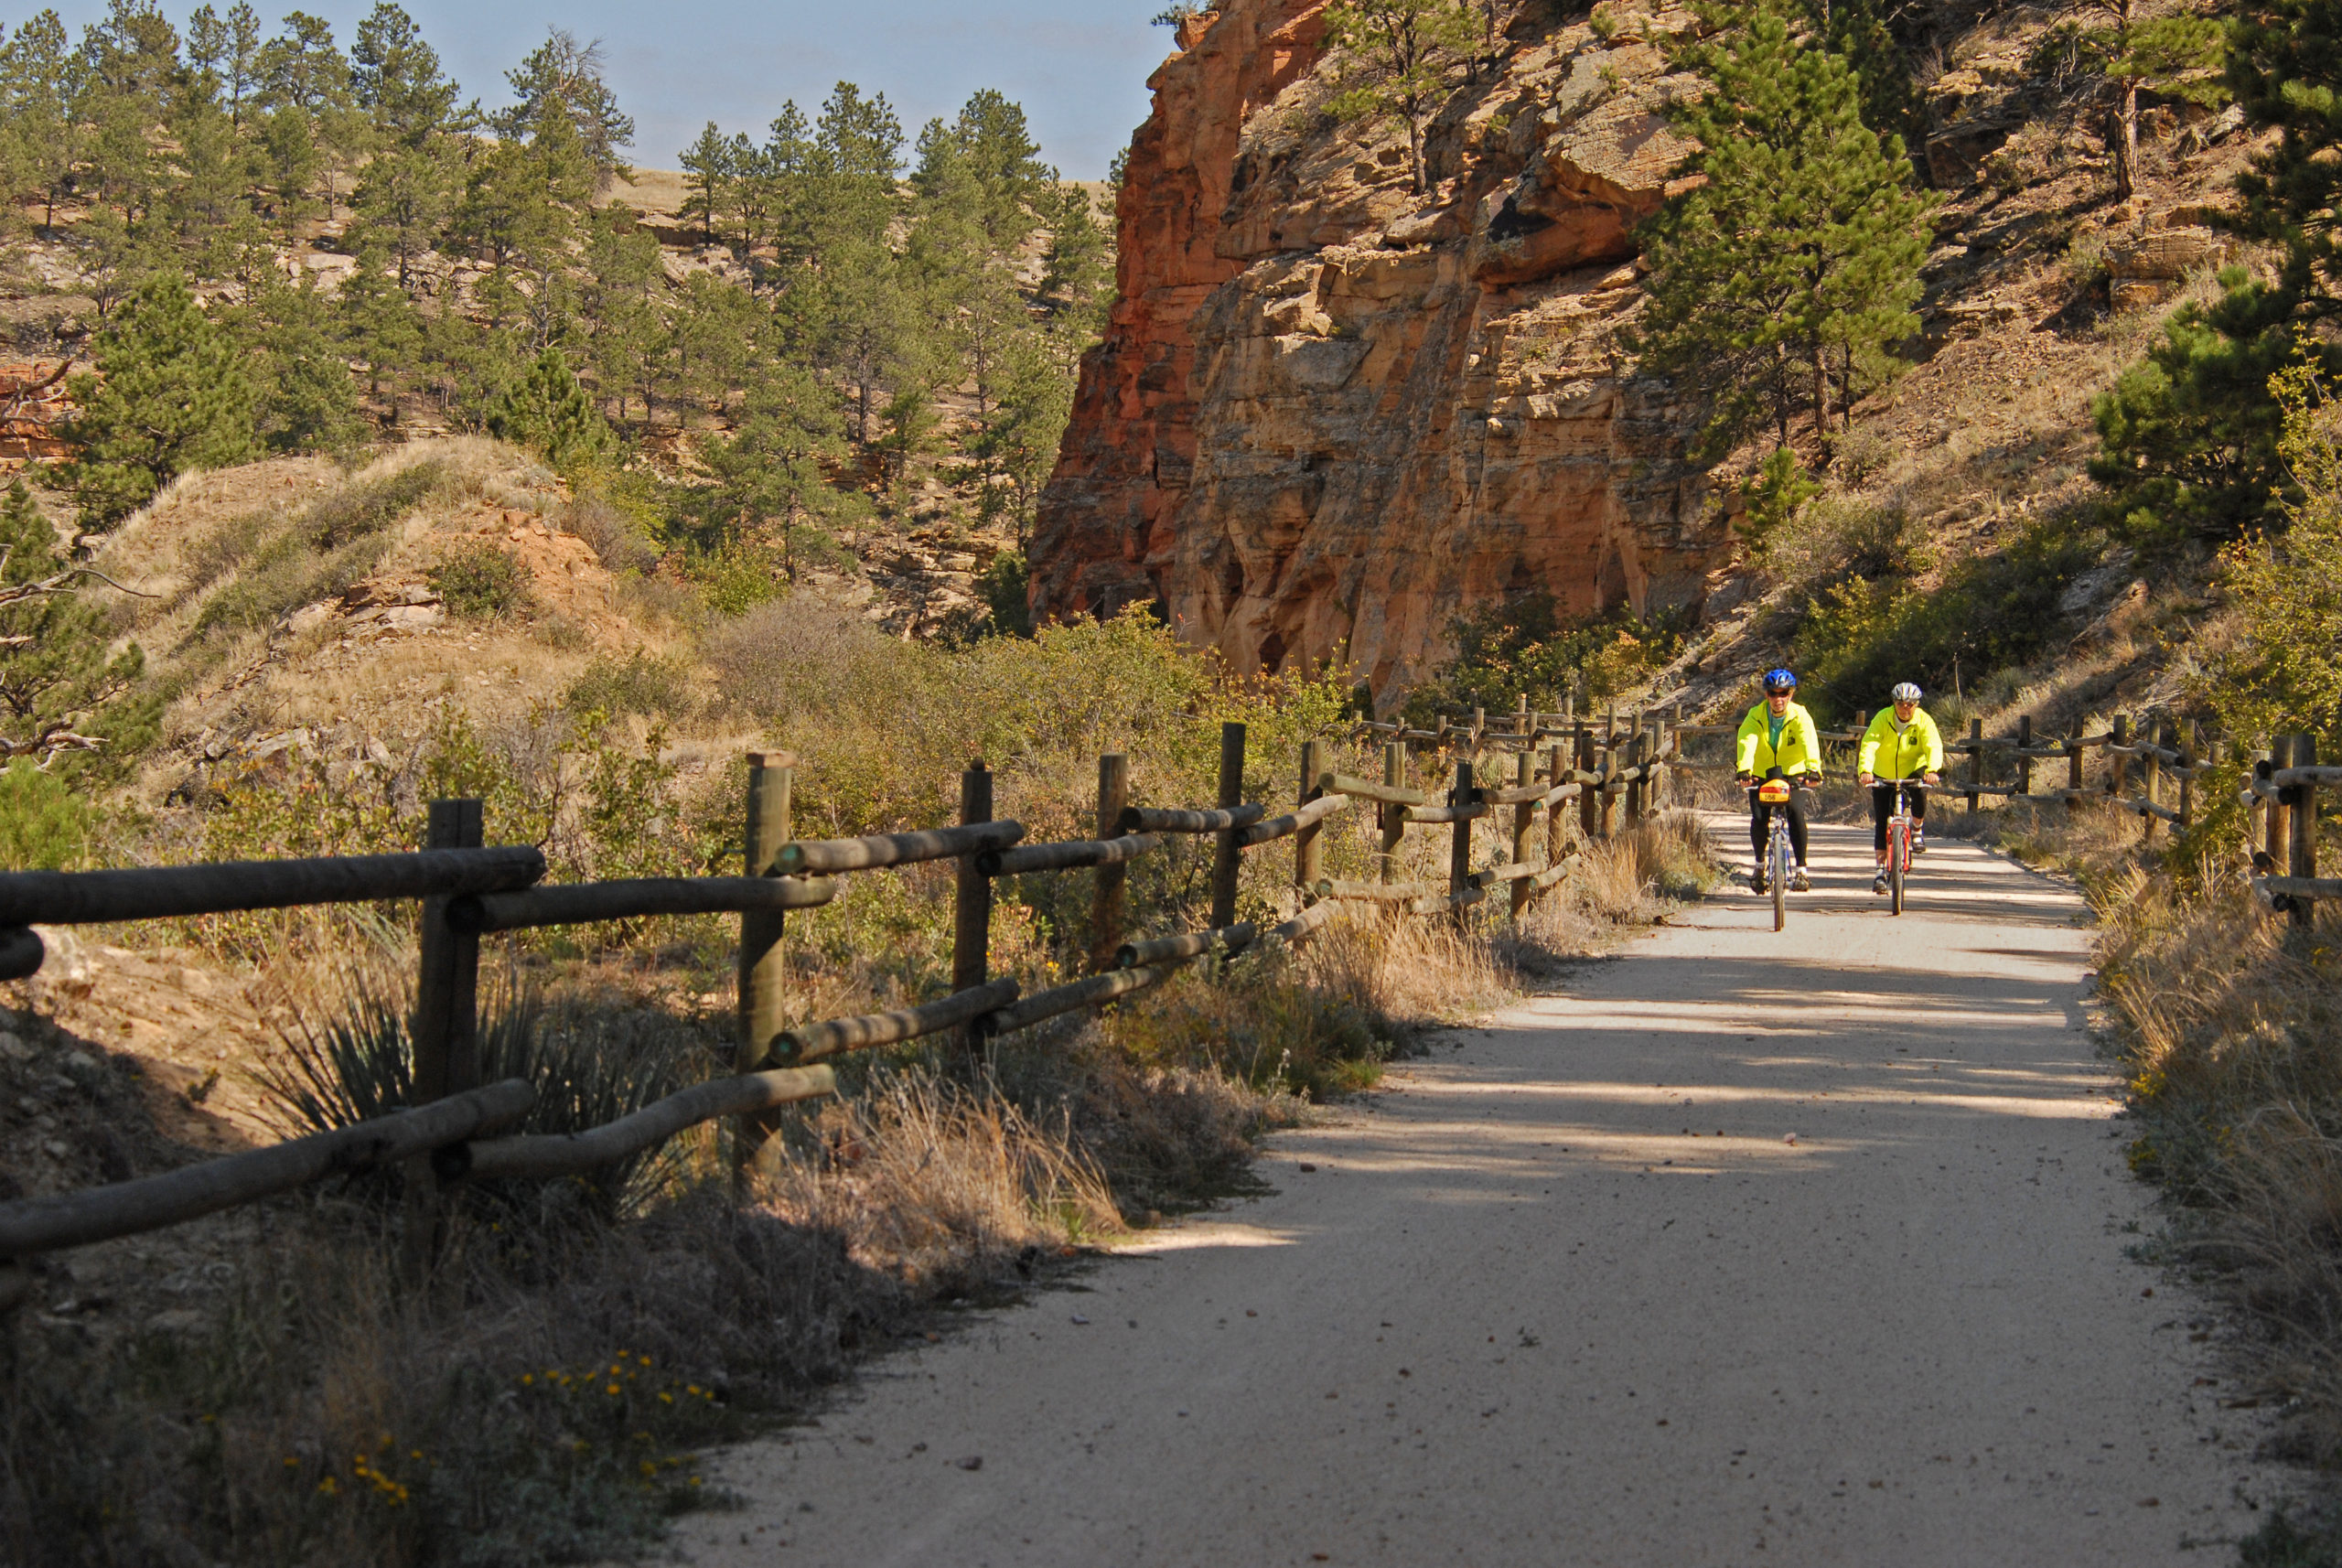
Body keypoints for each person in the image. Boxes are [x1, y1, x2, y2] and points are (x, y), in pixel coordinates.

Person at [1735, 668, 1822, 893]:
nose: (1778, 699)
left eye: (1783, 693)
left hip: (1794, 772)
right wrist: (1745, 769)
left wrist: (1813, 769)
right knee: (1759, 818)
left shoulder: (1800, 715)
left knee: (1795, 811)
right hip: (1762, 771)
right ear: (1767, 695)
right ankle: (1759, 866)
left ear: (1791, 694)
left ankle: (1802, 870)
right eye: (1773, 694)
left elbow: (1808, 741)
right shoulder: (1756, 714)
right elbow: (1748, 740)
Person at [1857, 681, 1944, 895]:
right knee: (1881, 820)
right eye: (1901, 704)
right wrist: (1865, 770)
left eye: (1910, 704)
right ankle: (1879, 870)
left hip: (1913, 767)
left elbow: (1933, 745)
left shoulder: (1924, 720)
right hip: (1883, 771)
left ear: (1917, 704)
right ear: (1894, 703)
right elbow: (1869, 744)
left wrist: (1932, 770)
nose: (1906, 709)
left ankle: (1916, 827)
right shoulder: (1882, 718)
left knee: (1921, 792)